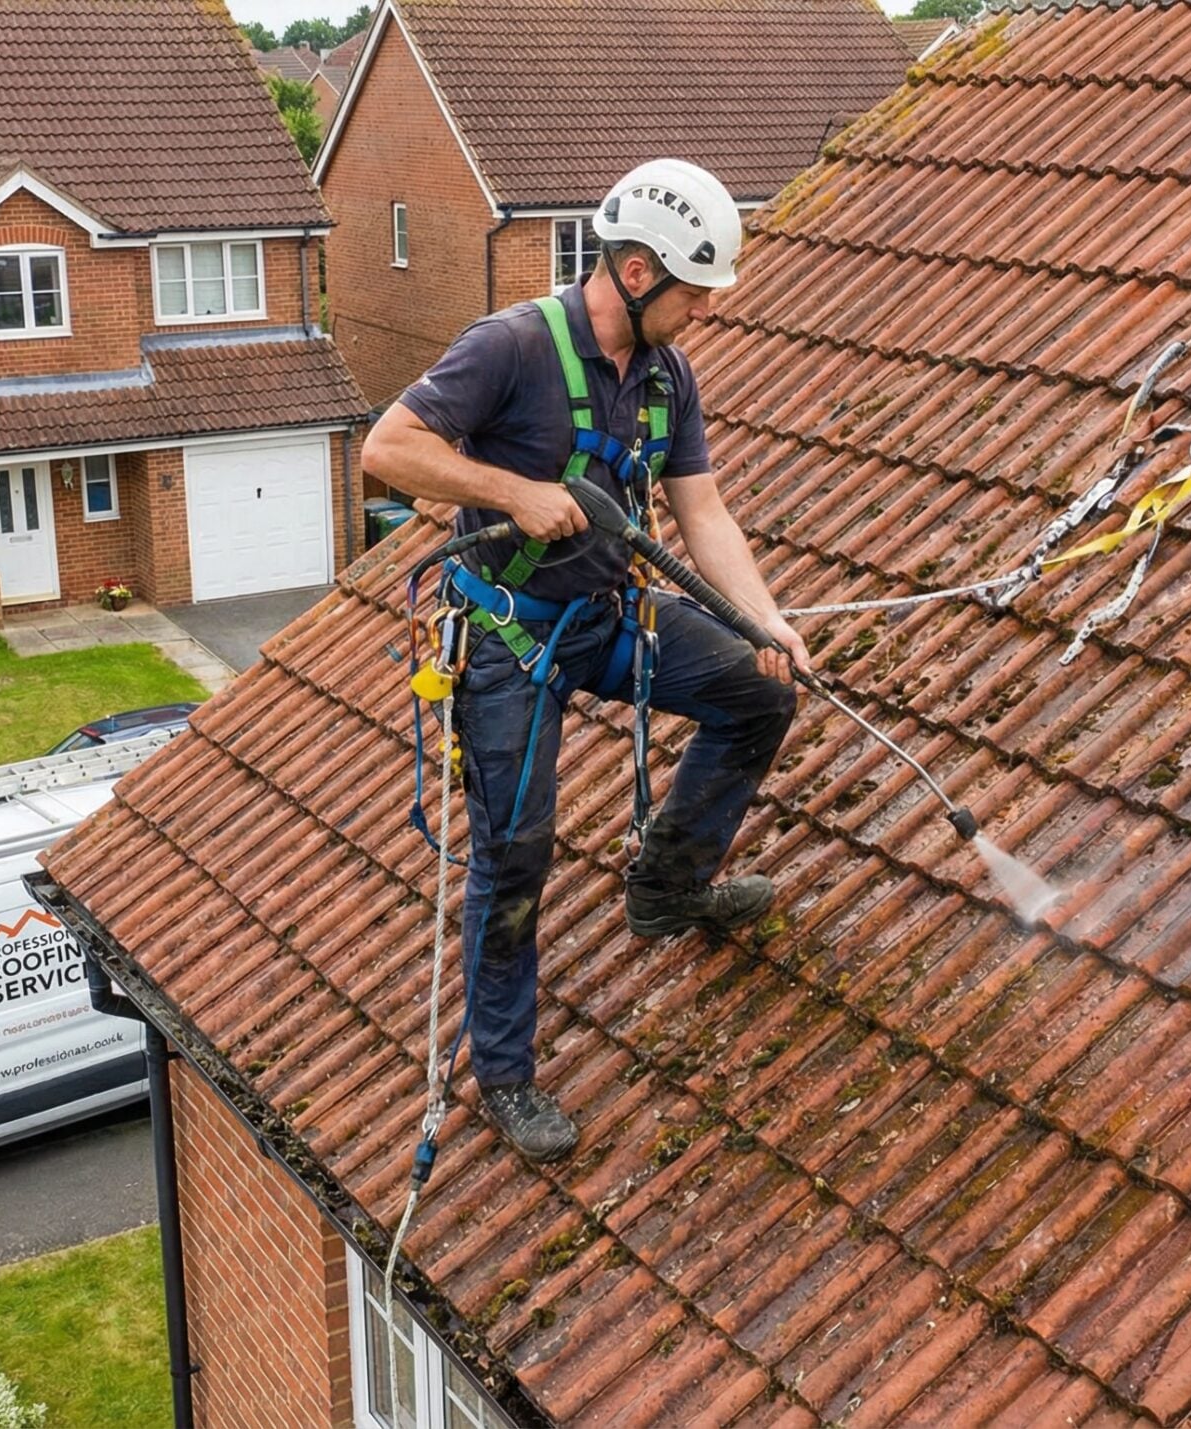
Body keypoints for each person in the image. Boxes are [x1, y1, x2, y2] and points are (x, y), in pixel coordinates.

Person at [363, 159, 807, 1163]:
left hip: (607, 616)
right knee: (515, 848)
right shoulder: (511, 346)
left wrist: (764, 623)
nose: (701, 311)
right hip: (510, 638)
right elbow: (387, 450)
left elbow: (702, 512)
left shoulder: (666, 376)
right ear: (640, 271)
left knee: (755, 691)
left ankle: (669, 885)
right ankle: (505, 1072)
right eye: (695, 291)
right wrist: (508, 491)